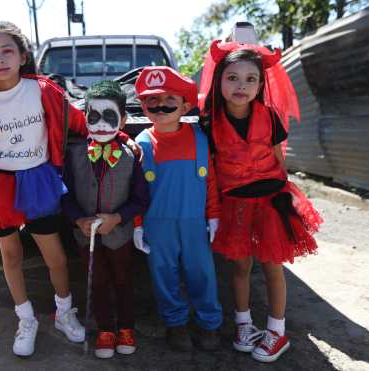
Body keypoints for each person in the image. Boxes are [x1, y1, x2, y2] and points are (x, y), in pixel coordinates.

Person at [0, 21, 87, 357]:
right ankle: (25, 318)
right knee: (10, 255)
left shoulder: (43, 89)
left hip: (36, 179)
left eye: (7, 50)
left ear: (23, 55)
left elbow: (76, 119)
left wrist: (111, 127)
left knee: (55, 256)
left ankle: (64, 313)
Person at [198, 40, 323, 363]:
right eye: (233, 78)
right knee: (239, 267)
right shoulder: (208, 122)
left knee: (273, 266)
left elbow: (279, 161)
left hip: (270, 201)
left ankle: (277, 331)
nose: (241, 85)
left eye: (250, 79)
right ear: (219, 81)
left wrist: (286, 200)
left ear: (260, 84)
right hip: (235, 204)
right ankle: (244, 325)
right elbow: (210, 171)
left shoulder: (270, 116)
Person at [134, 66, 223, 352]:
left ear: (185, 105)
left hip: (194, 222)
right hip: (157, 224)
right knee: (164, 275)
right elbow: (136, 191)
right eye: (152, 100)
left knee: (202, 273)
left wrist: (213, 215)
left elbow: (209, 179)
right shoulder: (141, 144)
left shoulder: (199, 138)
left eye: (168, 98)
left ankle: (209, 324)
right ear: (143, 107)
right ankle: (176, 325)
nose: (160, 105)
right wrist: (137, 223)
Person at [62, 80, 150, 359]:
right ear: (85, 116)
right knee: (96, 281)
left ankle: (126, 328)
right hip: (84, 235)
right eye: (94, 116)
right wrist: (78, 219)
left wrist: (118, 217)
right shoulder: (74, 154)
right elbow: (64, 194)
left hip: (119, 235)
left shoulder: (131, 155)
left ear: (123, 120)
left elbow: (141, 199)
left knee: (123, 280)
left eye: (110, 116)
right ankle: (105, 330)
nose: (101, 124)